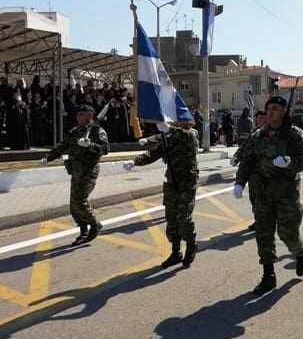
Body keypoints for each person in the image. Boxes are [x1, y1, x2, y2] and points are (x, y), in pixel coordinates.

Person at [233, 96, 303, 295]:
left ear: (284, 111)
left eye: (275, 108)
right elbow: (248, 160)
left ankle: (300, 251)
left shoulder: (294, 134)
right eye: (268, 108)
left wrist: (289, 163)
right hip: (263, 193)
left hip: (286, 193)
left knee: (287, 233)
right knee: (264, 234)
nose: (270, 112)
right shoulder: (258, 135)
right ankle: (268, 275)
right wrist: (240, 182)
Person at [125, 120, 200, 269]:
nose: (174, 123)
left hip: (187, 182)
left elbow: (189, 138)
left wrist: (170, 129)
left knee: (184, 218)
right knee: (171, 219)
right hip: (172, 182)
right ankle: (176, 252)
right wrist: (135, 162)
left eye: (177, 121)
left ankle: (191, 245)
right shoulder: (169, 137)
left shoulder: (191, 135)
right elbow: (154, 153)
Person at [43, 104, 109, 246]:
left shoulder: (97, 130)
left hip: (88, 171)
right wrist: (48, 157)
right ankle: (83, 230)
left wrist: (90, 145)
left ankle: (94, 225)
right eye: (77, 113)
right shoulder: (75, 131)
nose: (78, 116)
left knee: (80, 201)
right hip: (76, 171)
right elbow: (62, 146)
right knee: (73, 205)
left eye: (81, 114)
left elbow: (105, 149)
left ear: (89, 116)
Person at [231, 109, 267, 231]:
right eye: (259, 118)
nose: (261, 120)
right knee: (254, 197)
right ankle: (258, 220)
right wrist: (236, 157)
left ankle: (264, 222)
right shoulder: (253, 132)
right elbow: (244, 147)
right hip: (252, 173)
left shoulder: (272, 133)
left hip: (265, 173)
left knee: (263, 199)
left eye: (263, 118)